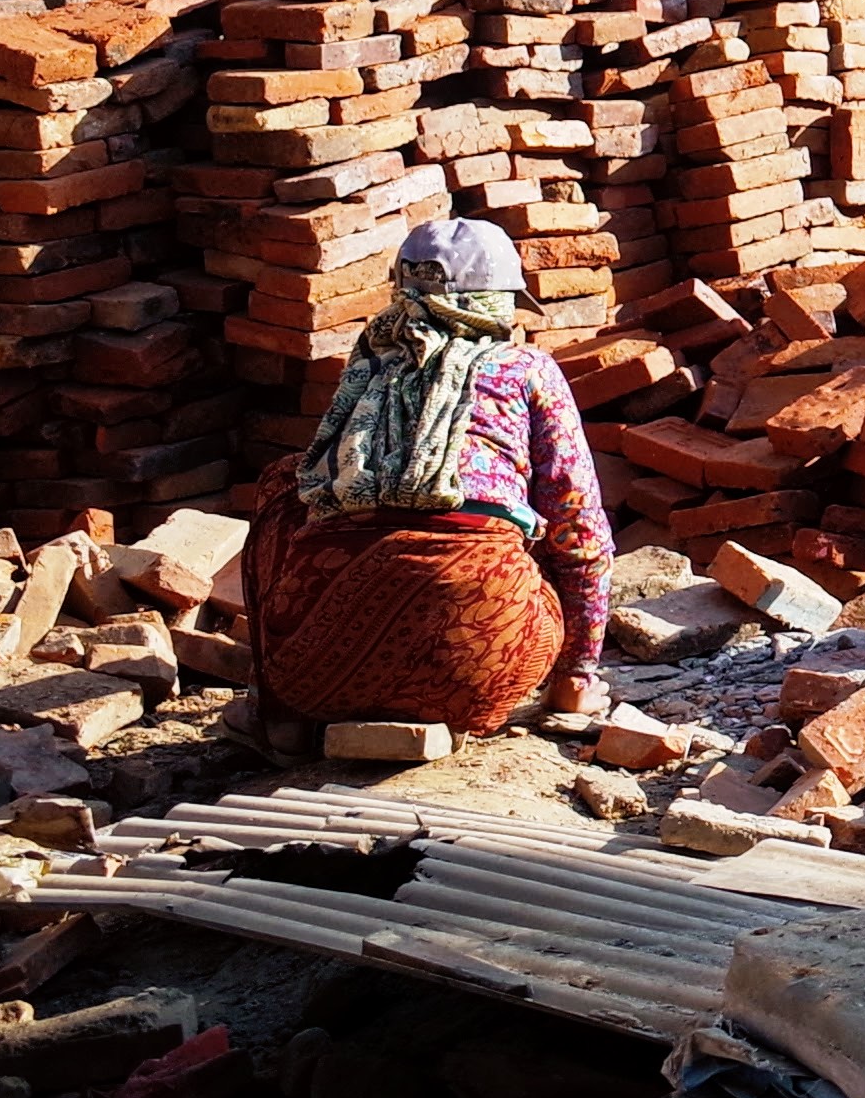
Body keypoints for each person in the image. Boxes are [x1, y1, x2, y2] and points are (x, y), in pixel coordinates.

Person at [244, 218, 609, 743]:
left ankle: (279, 712)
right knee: (517, 542)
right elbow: (580, 531)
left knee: (285, 483)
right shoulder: (526, 368)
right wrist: (575, 675)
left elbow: (319, 483)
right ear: (498, 300)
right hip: (480, 665)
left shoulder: (368, 367)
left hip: (313, 670)